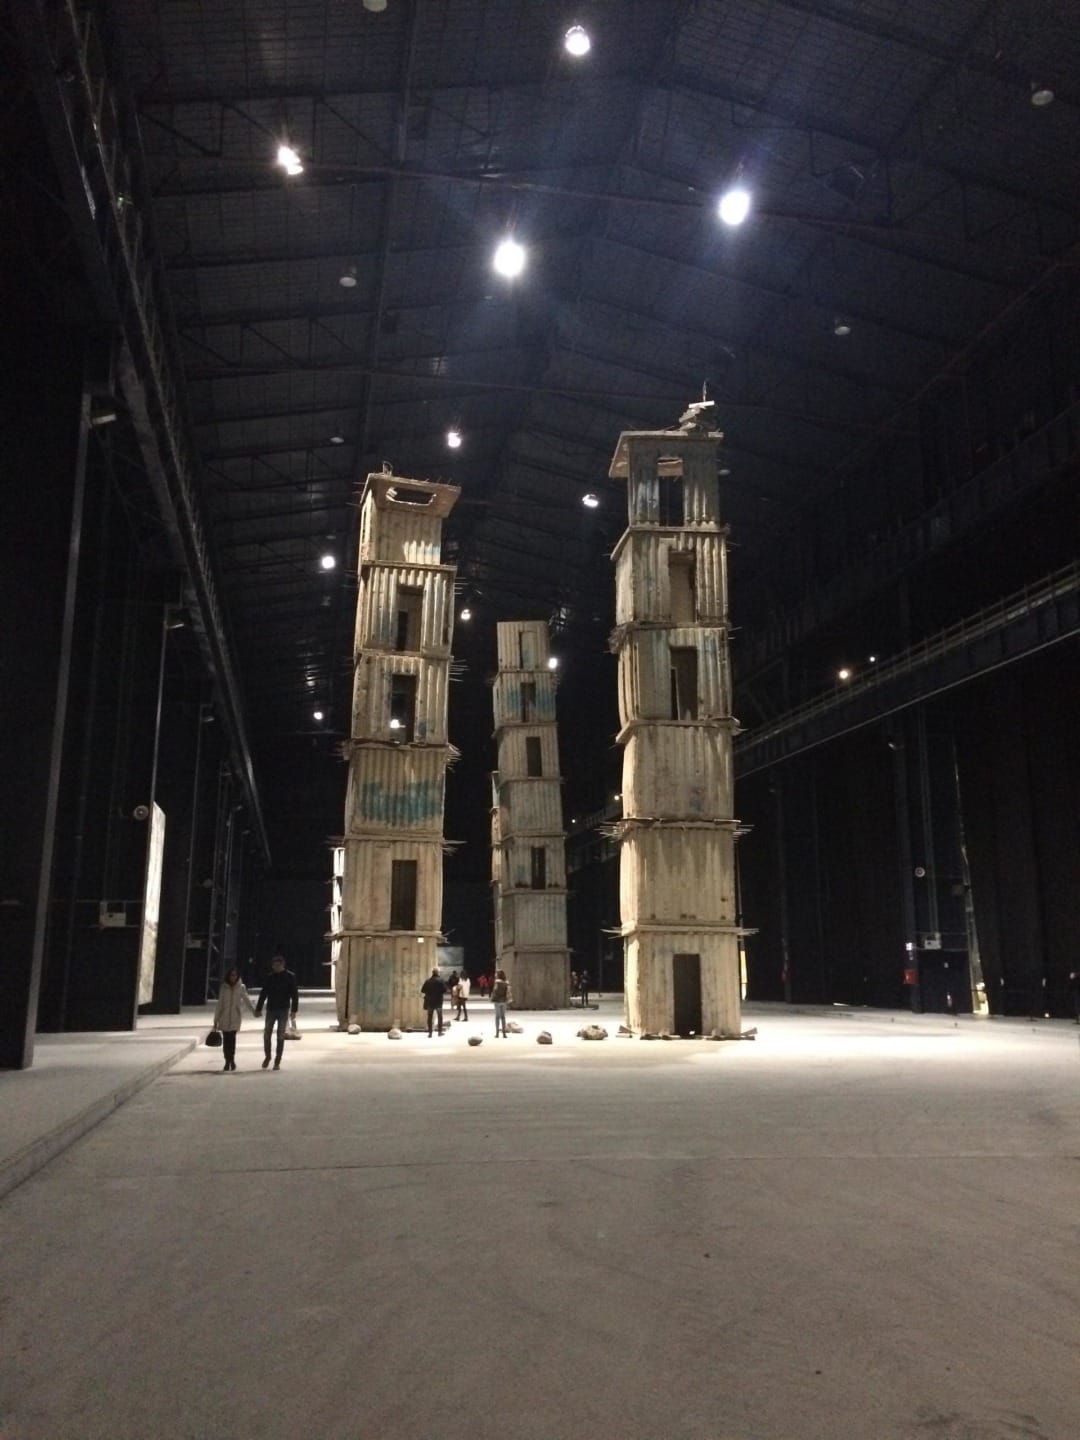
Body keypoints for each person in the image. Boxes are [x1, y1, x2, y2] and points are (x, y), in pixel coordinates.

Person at [254, 954, 299, 1070]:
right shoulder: (270, 977)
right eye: (274, 965)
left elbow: (294, 995)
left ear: (283, 965)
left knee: (280, 1036)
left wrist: (294, 1010)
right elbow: (263, 993)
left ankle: (277, 1061)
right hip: (271, 1009)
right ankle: (268, 1056)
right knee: (267, 1034)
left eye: (278, 965)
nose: (276, 967)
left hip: (283, 1009)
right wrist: (258, 1008)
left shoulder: (290, 977)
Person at [213, 967, 255, 1071]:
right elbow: (220, 1004)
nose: (233, 977)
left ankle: (232, 1060)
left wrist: (254, 1011)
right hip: (224, 1017)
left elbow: (247, 1000)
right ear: (228, 976)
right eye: (231, 975)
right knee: (226, 1041)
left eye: (235, 975)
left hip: (235, 1017)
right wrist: (216, 1019)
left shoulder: (241, 987)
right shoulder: (224, 987)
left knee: (232, 1040)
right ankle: (227, 1061)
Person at [421, 967, 447, 1036]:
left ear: (432, 973)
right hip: (438, 1001)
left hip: (430, 1001)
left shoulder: (428, 981)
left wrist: (429, 992)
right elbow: (445, 990)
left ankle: (430, 1033)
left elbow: (423, 990)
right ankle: (439, 1032)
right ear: (438, 973)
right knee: (440, 1017)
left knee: (429, 1017)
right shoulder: (441, 980)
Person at [491, 969, 511, 1037]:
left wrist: (492, 998)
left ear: (498, 975)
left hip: (497, 1001)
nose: (495, 975)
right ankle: (504, 1033)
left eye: (496, 974)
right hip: (504, 1001)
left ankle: (497, 1033)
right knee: (503, 1017)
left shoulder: (497, 982)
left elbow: (495, 991)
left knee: (497, 1017)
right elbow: (508, 992)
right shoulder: (506, 982)